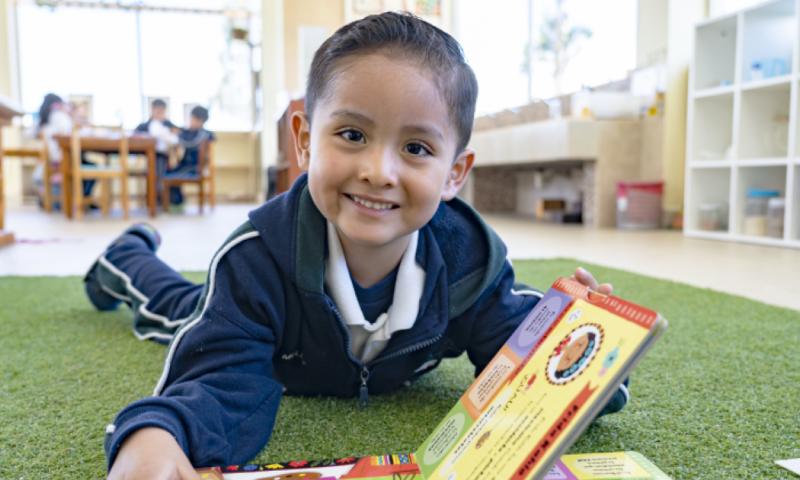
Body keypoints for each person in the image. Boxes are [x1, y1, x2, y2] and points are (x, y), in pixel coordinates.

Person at [91, 12, 624, 479]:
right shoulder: (254, 259)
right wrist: (158, 432)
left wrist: (585, 345)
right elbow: (218, 378)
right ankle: (126, 257)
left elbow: (527, 351)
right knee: (179, 308)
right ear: (304, 140)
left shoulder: (469, 265)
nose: (378, 172)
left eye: (416, 147)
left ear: (453, 174)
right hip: (258, 317)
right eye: (351, 135)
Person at [35, 93, 97, 209]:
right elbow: (71, 133)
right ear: (58, 104)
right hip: (63, 158)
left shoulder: (45, 118)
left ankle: (82, 200)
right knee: (93, 167)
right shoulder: (59, 116)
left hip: (54, 159)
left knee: (87, 164)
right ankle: (84, 200)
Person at [163, 105, 215, 209]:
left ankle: (177, 203)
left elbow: (209, 138)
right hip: (183, 165)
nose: (192, 122)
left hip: (194, 168)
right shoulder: (185, 132)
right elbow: (178, 132)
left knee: (172, 175)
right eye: (192, 119)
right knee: (167, 172)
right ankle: (177, 202)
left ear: (201, 121)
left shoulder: (206, 134)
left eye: (195, 120)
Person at [135, 98, 179, 184]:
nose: (159, 113)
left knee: (161, 164)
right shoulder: (144, 126)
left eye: (161, 111)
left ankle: (159, 193)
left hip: (164, 156)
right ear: (152, 110)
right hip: (147, 156)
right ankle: (154, 193)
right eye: (157, 110)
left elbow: (177, 137)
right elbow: (135, 136)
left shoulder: (169, 125)